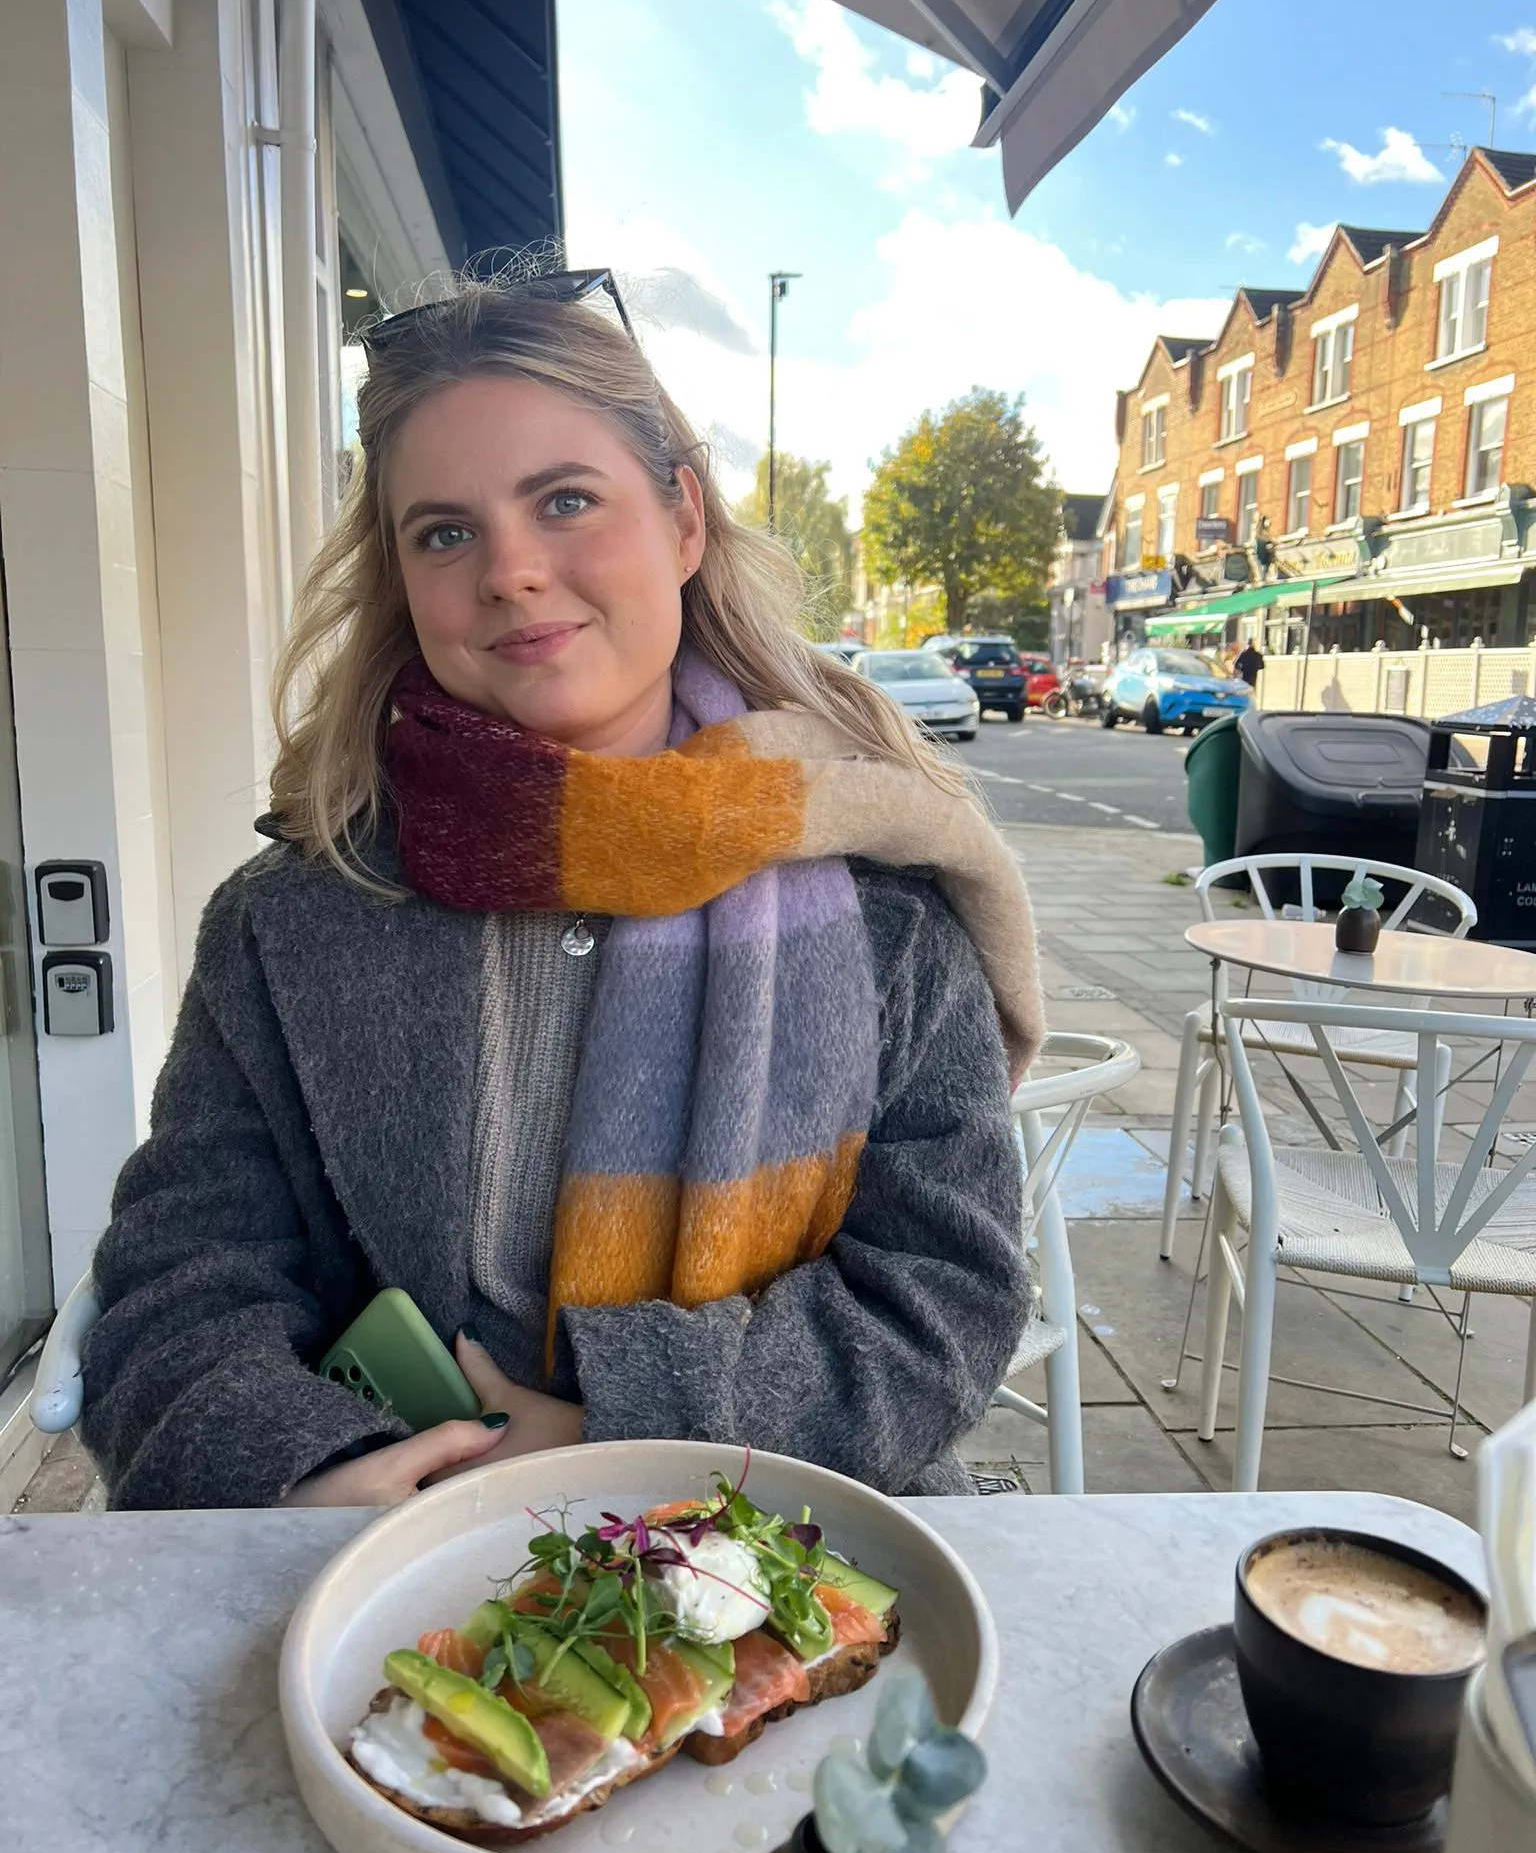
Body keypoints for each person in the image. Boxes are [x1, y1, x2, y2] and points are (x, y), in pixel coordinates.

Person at [80, 275, 1044, 1511]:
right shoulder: (290, 921)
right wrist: (306, 1472)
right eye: (445, 531)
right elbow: (179, 1277)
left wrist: (623, 1429)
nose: (513, 571)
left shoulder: (889, 917)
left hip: (793, 1557)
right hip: (387, 1572)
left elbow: (941, 1299)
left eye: (567, 501)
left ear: (683, 522)